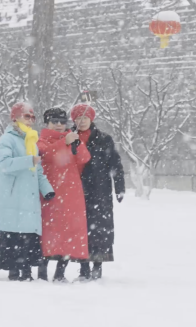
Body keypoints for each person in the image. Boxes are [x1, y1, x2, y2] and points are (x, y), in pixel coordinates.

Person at [0, 102, 55, 282]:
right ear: (15, 118)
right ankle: (13, 271)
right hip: (13, 196)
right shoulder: (7, 139)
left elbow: (38, 170)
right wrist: (29, 160)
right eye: (26, 116)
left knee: (27, 235)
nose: (30, 120)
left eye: (32, 117)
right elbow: (5, 164)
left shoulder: (31, 140)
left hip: (29, 197)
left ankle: (26, 271)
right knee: (13, 234)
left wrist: (47, 190)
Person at [71, 103, 126, 281]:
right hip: (75, 191)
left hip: (99, 191)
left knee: (99, 230)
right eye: (78, 118)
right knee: (80, 229)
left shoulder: (104, 139)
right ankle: (83, 267)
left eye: (85, 118)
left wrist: (119, 188)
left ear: (91, 119)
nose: (82, 121)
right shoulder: (69, 137)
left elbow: (115, 165)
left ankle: (97, 266)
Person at [36, 108, 91, 282]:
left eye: (62, 122)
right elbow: (46, 154)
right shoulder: (40, 139)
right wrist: (63, 143)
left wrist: (77, 145)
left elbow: (84, 159)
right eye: (54, 121)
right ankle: (42, 271)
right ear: (47, 123)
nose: (59, 125)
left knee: (69, 232)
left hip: (71, 193)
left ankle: (60, 271)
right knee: (47, 232)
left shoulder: (71, 137)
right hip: (50, 192)